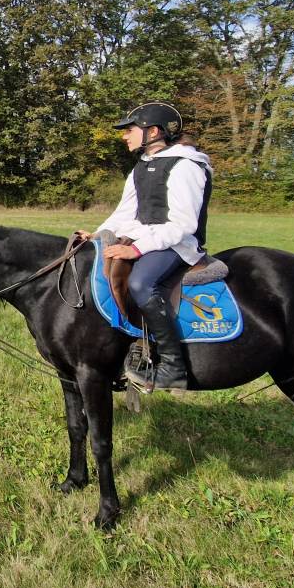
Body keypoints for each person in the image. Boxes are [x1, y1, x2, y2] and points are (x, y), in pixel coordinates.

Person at [77, 102, 213, 392]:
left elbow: (183, 224)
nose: (124, 136)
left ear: (152, 131)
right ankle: (130, 348)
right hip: (145, 238)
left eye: (129, 130)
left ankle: (173, 367)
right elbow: (125, 212)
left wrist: (136, 251)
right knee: (103, 271)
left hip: (177, 244)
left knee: (140, 283)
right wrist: (99, 235)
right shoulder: (140, 166)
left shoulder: (185, 165)